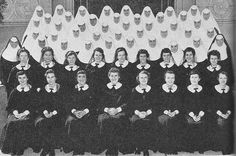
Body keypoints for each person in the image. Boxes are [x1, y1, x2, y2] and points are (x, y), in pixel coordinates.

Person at [1, 71, 39, 155]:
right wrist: (16, 113)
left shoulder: (32, 91)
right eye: (20, 78)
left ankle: (19, 148)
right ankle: (13, 148)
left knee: (21, 123)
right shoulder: (14, 91)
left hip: (28, 114)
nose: (22, 80)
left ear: (27, 78)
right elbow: (10, 106)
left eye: (24, 78)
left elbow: (34, 106)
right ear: (17, 79)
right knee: (12, 123)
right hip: (15, 114)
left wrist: (24, 113)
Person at [98, 67, 130, 156]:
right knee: (104, 120)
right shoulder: (104, 88)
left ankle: (114, 148)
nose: (114, 78)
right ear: (109, 76)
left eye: (116, 76)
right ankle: (109, 147)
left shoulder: (124, 88)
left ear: (119, 77)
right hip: (106, 111)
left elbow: (127, 103)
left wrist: (117, 110)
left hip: (119, 111)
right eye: (112, 76)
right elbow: (99, 103)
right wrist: (107, 110)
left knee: (118, 120)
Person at [35, 69, 66, 156]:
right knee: (42, 123)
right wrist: (45, 112)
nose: (50, 79)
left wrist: (53, 113)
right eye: (48, 77)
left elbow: (63, 105)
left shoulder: (61, 89)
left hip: (58, 114)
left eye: (52, 77)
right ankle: (47, 147)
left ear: (56, 78)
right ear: (46, 78)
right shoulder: (42, 89)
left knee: (54, 123)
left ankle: (50, 148)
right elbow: (40, 104)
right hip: (44, 114)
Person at [65, 70, 96, 155]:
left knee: (85, 122)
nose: (81, 79)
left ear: (86, 78)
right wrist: (74, 112)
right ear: (76, 78)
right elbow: (68, 103)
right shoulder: (72, 89)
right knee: (71, 121)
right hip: (74, 112)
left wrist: (84, 112)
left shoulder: (91, 89)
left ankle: (82, 147)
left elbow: (94, 104)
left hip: (87, 112)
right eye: (79, 77)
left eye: (83, 77)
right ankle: (76, 147)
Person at [128, 70, 156, 156]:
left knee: (148, 122)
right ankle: (137, 146)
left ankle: (145, 148)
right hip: (137, 113)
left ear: (148, 79)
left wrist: (147, 113)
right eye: (141, 78)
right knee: (136, 121)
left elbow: (155, 104)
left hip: (149, 113)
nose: (143, 79)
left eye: (145, 77)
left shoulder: (152, 90)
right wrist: (139, 113)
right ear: (138, 79)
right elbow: (131, 105)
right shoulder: (134, 90)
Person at [155, 70, 183, 154]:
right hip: (162, 113)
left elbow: (181, 104)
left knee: (175, 120)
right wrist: (166, 112)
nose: (170, 80)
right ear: (165, 79)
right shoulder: (160, 89)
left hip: (176, 113)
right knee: (167, 120)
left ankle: (174, 147)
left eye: (172, 78)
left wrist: (175, 112)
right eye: (168, 78)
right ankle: (166, 147)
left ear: (174, 79)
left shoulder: (178, 89)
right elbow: (157, 104)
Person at [207, 71, 233, 154]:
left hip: (227, 113)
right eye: (221, 78)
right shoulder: (213, 89)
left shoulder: (229, 89)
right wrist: (221, 114)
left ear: (227, 79)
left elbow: (231, 104)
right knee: (221, 121)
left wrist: (228, 114)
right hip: (215, 113)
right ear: (218, 79)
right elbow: (212, 105)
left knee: (227, 122)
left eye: (225, 78)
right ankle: (223, 147)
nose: (223, 80)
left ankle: (227, 146)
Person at [182, 70, 207, 153]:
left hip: (201, 113)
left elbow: (205, 105)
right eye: (192, 77)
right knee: (190, 122)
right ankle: (191, 146)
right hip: (189, 114)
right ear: (189, 79)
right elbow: (185, 105)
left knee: (203, 123)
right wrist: (193, 116)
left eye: (196, 77)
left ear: (199, 79)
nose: (194, 79)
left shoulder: (203, 90)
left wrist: (200, 115)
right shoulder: (186, 90)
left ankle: (200, 147)